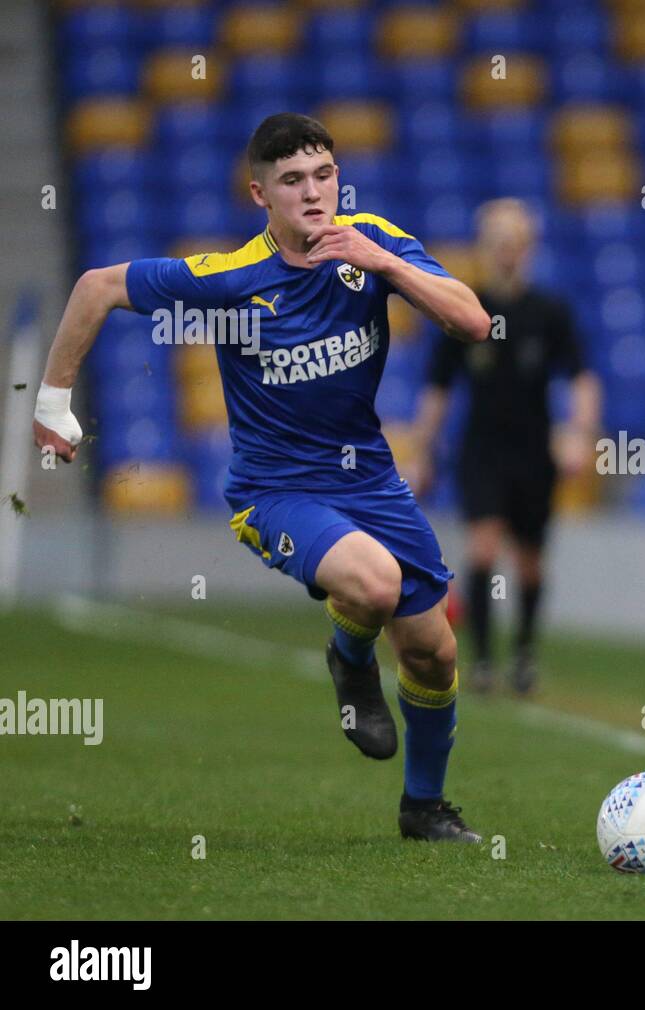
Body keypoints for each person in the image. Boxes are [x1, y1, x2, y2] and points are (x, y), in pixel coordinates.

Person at [31, 113, 492, 842]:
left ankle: (424, 808)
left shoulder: (373, 241)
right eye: (292, 182)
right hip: (275, 493)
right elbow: (95, 287)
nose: (314, 194)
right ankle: (348, 660)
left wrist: (389, 267)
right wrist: (54, 403)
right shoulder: (231, 278)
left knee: (434, 653)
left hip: (371, 481)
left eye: (324, 175)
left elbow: (473, 321)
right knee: (373, 583)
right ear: (260, 194)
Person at [408, 199, 601, 694]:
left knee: (531, 560)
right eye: (497, 243)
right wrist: (421, 452)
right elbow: (438, 389)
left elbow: (582, 378)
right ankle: (485, 662)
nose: (506, 252)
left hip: (534, 452)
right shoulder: (463, 308)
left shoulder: (549, 312)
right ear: (484, 248)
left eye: (515, 243)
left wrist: (579, 433)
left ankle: (525, 656)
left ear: (528, 248)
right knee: (483, 546)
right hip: (482, 450)